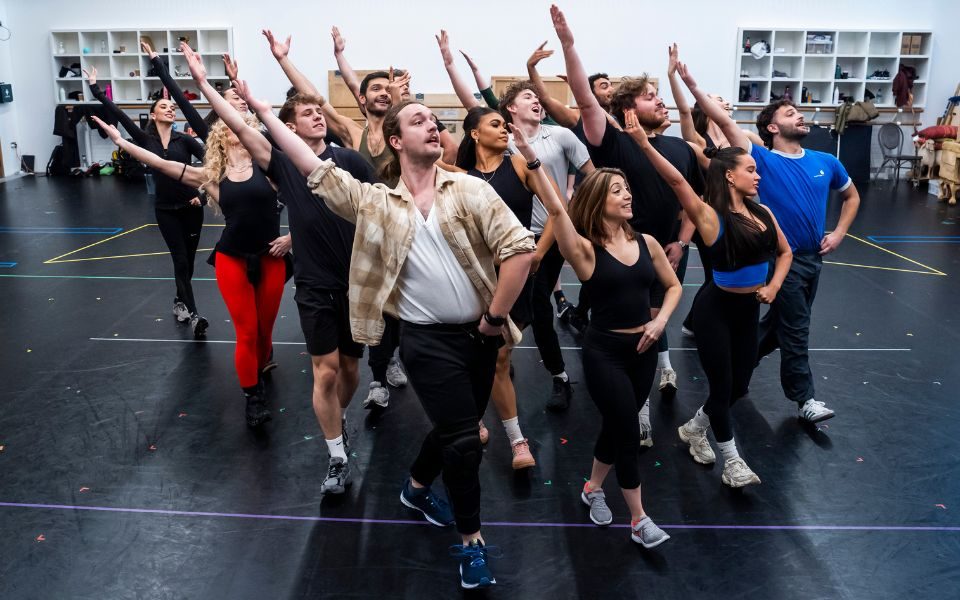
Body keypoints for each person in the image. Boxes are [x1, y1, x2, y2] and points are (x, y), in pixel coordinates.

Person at [243, 77, 534, 587]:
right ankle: (472, 544)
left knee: (454, 426)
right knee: (467, 441)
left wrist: (492, 320)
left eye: (434, 121)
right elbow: (313, 168)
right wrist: (263, 111)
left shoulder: (469, 189)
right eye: (418, 119)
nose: (432, 125)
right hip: (424, 340)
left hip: (481, 335)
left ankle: (417, 488)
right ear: (396, 141)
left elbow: (520, 250)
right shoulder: (376, 203)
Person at [676, 61, 861, 424]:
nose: (801, 116)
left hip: (813, 259)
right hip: (781, 260)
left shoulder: (826, 160)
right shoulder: (761, 159)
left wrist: (838, 232)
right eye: (791, 113)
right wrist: (693, 87)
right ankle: (804, 399)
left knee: (779, 327)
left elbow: (851, 196)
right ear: (774, 127)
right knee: (797, 326)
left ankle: (741, 367)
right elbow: (727, 124)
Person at [524, 112, 678, 545]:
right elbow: (556, 207)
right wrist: (531, 159)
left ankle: (592, 489)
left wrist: (661, 320)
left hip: (644, 350)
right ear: (597, 199)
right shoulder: (586, 251)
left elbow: (673, 286)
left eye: (627, 188)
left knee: (618, 425)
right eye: (617, 190)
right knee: (628, 431)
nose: (627, 194)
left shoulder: (646, 242)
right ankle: (639, 520)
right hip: (605, 353)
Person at [551, 5, 704, 441]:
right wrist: (568, 45)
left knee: (654, 327)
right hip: (623, 254)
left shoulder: (679, 147)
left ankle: (648, 391)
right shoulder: (613, 141)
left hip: (665, 251)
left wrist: (682, 242)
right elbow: (584, 99)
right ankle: (636, 413)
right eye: (651, 96)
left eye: (660, 95)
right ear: (627, 108)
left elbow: (689, 200)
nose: (660, 100)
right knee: (632, 333)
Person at [625, 106, 793, 487]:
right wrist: (642, 144)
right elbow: (676, 181)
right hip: (715, 311)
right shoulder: (708, 216)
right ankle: (733, 462)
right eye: (751, 169)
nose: (758, 175)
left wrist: (773, 286)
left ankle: (695, 428)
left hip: (749, 310)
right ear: (730, 175)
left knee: (740, 386)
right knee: (721, 387)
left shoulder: (763, 212)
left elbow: (785, 253)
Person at [263, 30, 410, 408]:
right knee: (369, 314)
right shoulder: (352, 131)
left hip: (393, 220)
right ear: (362, 98)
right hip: (356, 229)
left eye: (386, 90)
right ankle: (378, 377)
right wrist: (283, 60)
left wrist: (401, 99)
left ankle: (390, 358)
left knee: (391, 308)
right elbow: (315, 96)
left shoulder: (400, 133)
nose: (381, 93)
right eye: (373, 89)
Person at [451, 106, 556, 469]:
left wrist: (538, 254)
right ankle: (508, 435)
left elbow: (558, 210)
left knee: (499, 356)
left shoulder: (519, 166)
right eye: (495, 124)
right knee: (483, 357)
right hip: (474, 280)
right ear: (474, 134)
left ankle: (511, 434)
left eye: (504, 125)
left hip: (514, 280)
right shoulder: (460, 176)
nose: (503, 130)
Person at [85, 66, 209, 338]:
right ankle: (194, 316)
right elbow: (119, 115)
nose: (169, 109)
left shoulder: (185, 141)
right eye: (163, 106)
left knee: (187, 261)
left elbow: (211, 165)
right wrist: (96, 89)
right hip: (166, 211)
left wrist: (201, 195)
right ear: (153, 114)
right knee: (180, 261)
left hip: (191, 209)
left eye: (171, 107)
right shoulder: (144, 139)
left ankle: (179, 301)